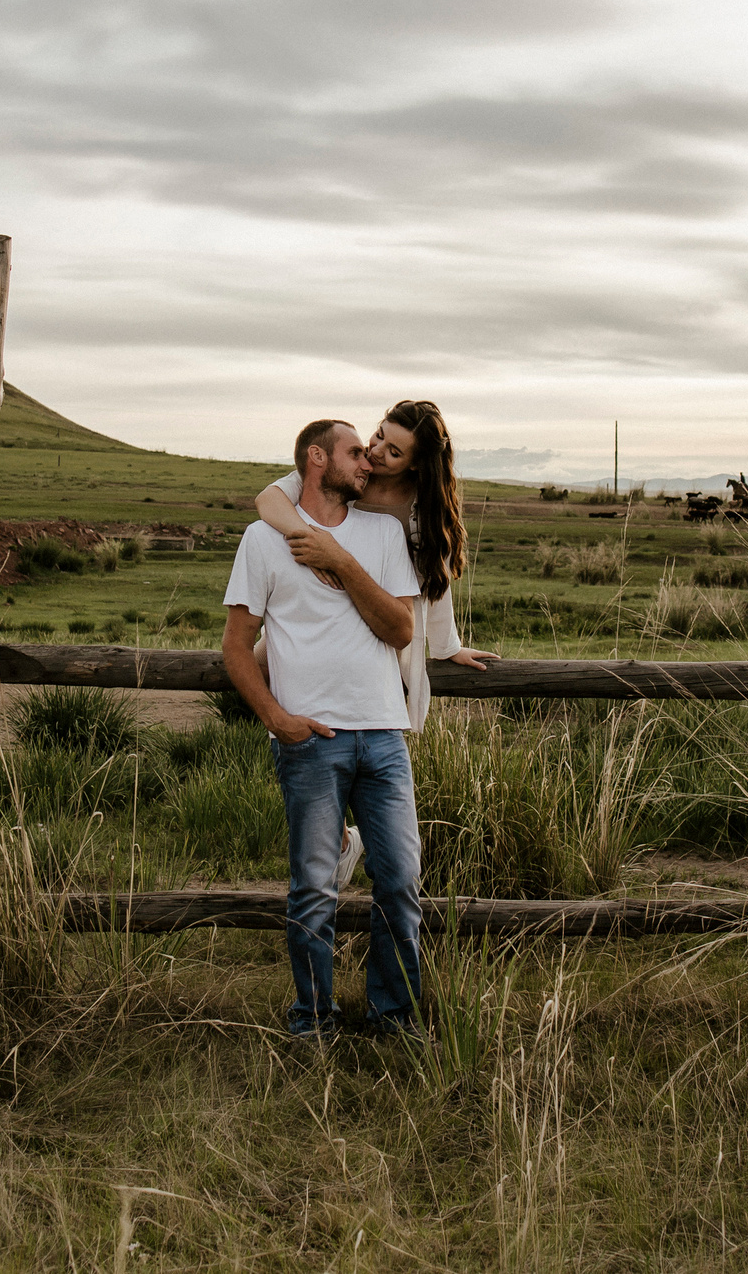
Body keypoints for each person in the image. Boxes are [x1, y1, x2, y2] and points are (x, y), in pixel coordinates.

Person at [223, 418, 425, 1040]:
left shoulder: (382, 533)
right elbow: (235, 646)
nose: (368, 463)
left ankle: (395, 1019)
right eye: (355, 453)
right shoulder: (263, 540)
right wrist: (275, 717)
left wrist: (341, 560)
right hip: (311, 742)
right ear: (317, 459)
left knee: (400, 883)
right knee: (313, 889)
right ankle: (313, 1021)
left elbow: (399, 630)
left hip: (385, 736)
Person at [250, 397, 499, 729]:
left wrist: (447, 647)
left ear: (415, 464)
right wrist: (319, 546)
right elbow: (268, 500)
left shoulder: (422, 509)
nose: (377, 451)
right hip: (320, 603)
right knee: (265, 659)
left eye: (394, 452)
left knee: (367, 702)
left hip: (379, 616)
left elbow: (434, 583)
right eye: (379, 435)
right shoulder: (344, 472)